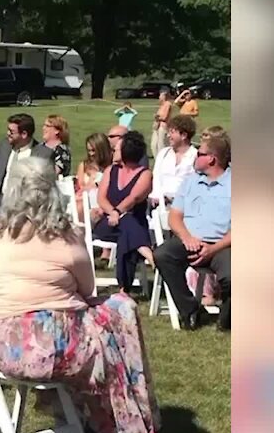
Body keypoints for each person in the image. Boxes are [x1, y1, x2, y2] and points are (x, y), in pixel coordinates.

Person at [0, 157, 160, 433]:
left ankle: (101, 428)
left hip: (0, 345)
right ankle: (121, 431)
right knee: (119, 315)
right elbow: (88, 290)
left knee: (100, 326)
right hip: (50, 351)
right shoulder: (64, 235)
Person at [153, 133, 231, 331]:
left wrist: (213, 249)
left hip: (222, 245)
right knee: (163, 255)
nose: (195, 156)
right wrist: (187, 238)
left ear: (211, 159)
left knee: (234, 274)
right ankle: (191, 311)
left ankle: (227, 320)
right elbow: (175, 216)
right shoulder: (190, 182)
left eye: (200, 154)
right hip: (188, 242)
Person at [94, 131, 155, 290]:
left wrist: (118, 212)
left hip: (134, 224)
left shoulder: (145, 174)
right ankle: (148, 253)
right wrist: (113, 212)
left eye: (117, 149)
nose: (113, 151)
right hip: (108, 224)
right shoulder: (110, 171)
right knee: (126, 223)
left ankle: (123, 288)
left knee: (126, 230)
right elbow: (101, 198)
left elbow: (134, 198)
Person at [0, 113, 52, 224]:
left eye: (11, 132)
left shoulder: (43, 153)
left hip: (27, 200)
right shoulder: (5, 146)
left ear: (24, 134)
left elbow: (43, 182)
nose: (8, 134)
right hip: (2, 197)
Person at [151, 114, 198, 206]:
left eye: (172, 132)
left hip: (185, 207)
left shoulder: (195, 156)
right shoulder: (163, 153)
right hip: (160, 206)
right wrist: (155, 196)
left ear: (184, 135)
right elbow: (156, 177)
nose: (168, 135)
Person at [73, 131, 111, 221]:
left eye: (94, 150)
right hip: (83, 201)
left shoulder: (110, 167)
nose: (91, 154)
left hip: (100, 204)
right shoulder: (84, 165)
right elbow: (80, 187)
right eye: (89, 150)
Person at [152, 90, 173, 155]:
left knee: (161, 145)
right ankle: (157, 160)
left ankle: (162, 160)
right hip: (157, 126)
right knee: (154, 145)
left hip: (162, 126)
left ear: (164, 96)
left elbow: (164, 117)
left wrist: (157, 117)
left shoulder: (168, 104)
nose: (159, 97)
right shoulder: (162, 105)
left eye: (160, 95)